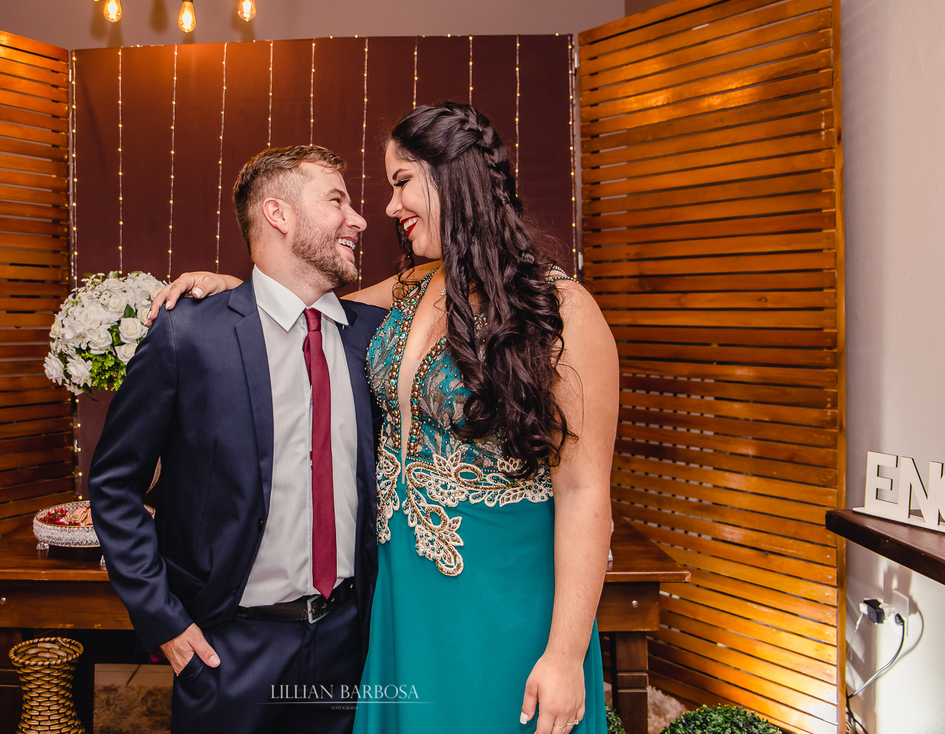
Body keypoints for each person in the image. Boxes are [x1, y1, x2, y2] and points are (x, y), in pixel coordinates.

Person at [152, 102, 618, 734]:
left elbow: (585, 491)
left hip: (502, 595)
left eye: (402, 183)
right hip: (401, 596)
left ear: (452, 176)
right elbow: (302, 301)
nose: (391, 208)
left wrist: (563, 654)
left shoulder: (560, 308)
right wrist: (232, 289)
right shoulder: (411, 290)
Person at [89, 144, 388, 734]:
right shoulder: (189, 334)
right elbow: (114, 485)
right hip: (229, 652)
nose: (358, 219)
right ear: (278, 213)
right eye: (337, 201)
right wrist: (164, 621)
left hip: (349, 647)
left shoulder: (374, 339)